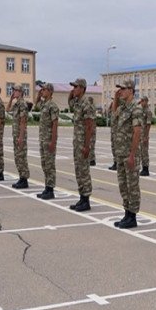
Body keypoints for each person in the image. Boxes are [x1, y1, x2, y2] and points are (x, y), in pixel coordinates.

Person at [112, 79, 142, 228]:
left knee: (132, 186)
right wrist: (116, 99)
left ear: (131, 90)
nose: (121, 91)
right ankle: (126, 213)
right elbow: (113, 115)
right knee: (123, 185)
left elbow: (137, 132)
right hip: (120, 153)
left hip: (130, 154)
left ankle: (133, 216)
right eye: (120, 89)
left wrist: (132, 154)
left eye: (123, 89)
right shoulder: (123, 108)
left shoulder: (135, 109)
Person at [69, 78, 95, 211]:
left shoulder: (86, 103)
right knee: (78, 170)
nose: (73, 89)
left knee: (84, 171)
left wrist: (87, 145)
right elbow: (70, 103)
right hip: (77, 143)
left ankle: (86, 200)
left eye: (76, 87)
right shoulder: (78, 102)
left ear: (83, 88)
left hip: (83, 144)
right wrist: (72, 93)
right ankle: (81, 197)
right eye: (73, 87)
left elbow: (89, 126)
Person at [35, 83, 59, 200]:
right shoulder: (44, 104)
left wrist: (53, 142)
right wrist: (39, 95)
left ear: (50, 91)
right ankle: (46, 187)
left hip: (49, 139)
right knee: (44, 164)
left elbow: (55, 124)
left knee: (50, 165)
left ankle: (50, 189)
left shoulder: (52, 106)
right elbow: (36, 104)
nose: (42, 91)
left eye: (44, 90)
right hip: (43, 139)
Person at [7, 85, 29, 189]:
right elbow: (7, 110)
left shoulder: (23, 104)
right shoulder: (17, 104)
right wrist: (11, 99)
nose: (13, 92)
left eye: (15, 91)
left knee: (21, 157)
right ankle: (21, 177)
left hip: (20, 136)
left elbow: (23, 122)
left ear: (20, 92)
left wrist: (21, 137)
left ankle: (24, 179)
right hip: (16, 135)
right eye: (13, 90)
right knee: (17, 157)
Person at [139, 96, 153, 176]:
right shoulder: (141, 110)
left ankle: (146, 169)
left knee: (144, 152)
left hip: (144, 135)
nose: (141, 102)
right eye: (141, 101)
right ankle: (143, 167)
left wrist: (146, 136)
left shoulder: (148, 111)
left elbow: (148, 124)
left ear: (146, 101)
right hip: (140, 135)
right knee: (141, 152)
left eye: (142, 101)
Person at [108, 98, 118, 171]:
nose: (112, 102)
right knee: (113, 148)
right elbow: (107, 113)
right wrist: (110, 106)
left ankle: (117, 163)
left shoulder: (118, 110)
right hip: (113, 132)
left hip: (117, 133)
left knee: (117, 149)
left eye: (113, 100)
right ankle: (115, 162)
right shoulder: (112, 111)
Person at [88, 96, 97, 166]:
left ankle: (92, 160)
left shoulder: (90, 108)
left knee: (91, 144)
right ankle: (91, 159)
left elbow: (91, 119)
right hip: (93, 127)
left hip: (92, 127)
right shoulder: (93, 107)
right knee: (91, 144)